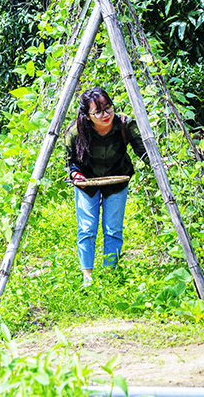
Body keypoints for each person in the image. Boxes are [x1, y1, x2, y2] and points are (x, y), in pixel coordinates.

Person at [64, 87, 148, 287]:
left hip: (118, 180)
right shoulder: (75, 131)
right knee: (86, 229)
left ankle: (110, 275)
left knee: (113, 229)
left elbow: (143, 151)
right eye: (99, 112)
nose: (106, 115)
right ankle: (87, 277)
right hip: (87, 183)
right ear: (88, 115)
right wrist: (76, 174)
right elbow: (70, 162)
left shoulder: (124, 124)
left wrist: (160, 165)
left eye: (108, 108)